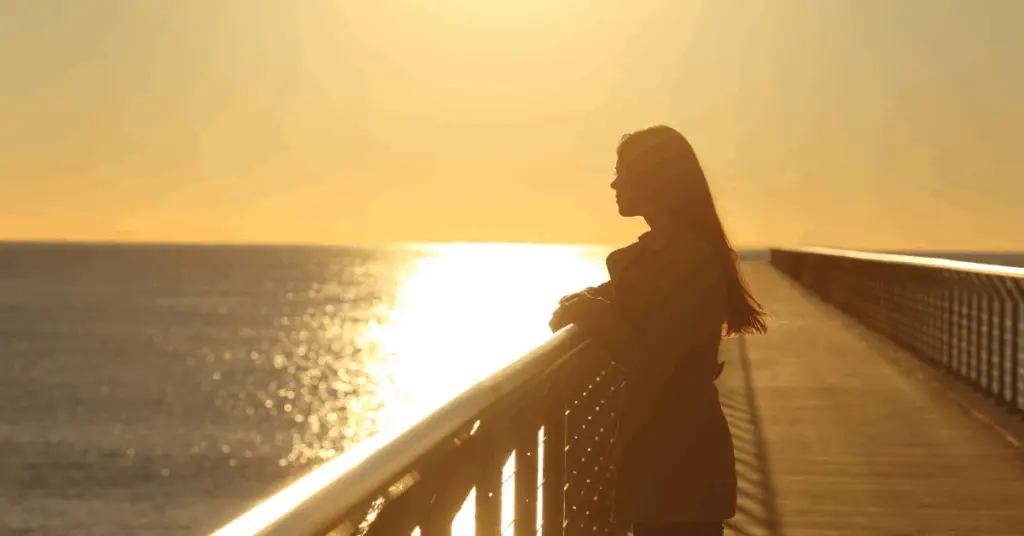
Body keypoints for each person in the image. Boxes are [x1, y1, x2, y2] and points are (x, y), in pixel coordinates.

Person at [549, 125, 768, 536]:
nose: (614, 183)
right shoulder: (669, 253)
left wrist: (596, 315)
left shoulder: (685, 259)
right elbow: (629, 297)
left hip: (678, 463)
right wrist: (590, 302)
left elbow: (654, 360)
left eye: (622, 171)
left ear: (652, 177)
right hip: (670, 461)